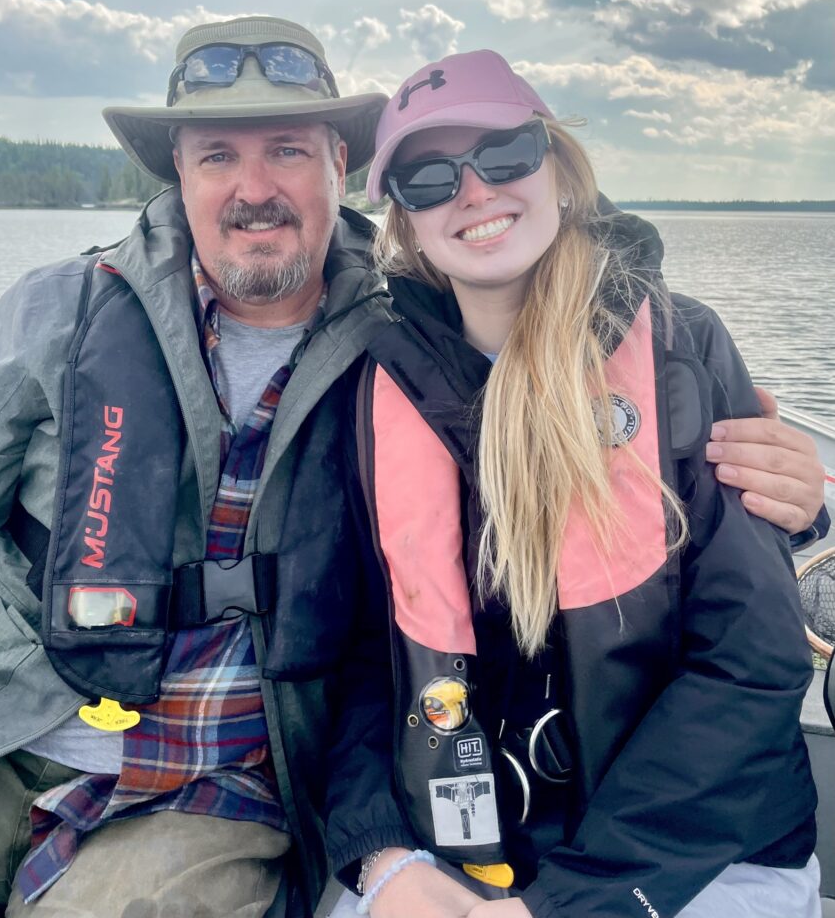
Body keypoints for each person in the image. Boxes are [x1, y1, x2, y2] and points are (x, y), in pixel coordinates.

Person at [0, 19, 824, 918]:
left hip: (215, 795)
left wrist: (795, 506)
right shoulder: (69, 311)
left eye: (287, 150)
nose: (253, 189)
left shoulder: (433, 343)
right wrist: (382, 854)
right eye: (216, 157)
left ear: (339, 168)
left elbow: (734, 638)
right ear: (178, 174)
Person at [323, 50, 828, 918]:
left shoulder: (681, 351)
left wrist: (567, 903)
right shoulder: (377, 387)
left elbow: (749, 662)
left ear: (559, 171)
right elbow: (366, 654)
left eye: (504, 153)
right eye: (428, 178)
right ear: (404, 221)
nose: (473, 191)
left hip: (698, 860)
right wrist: (380, 857)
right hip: (460, 857)